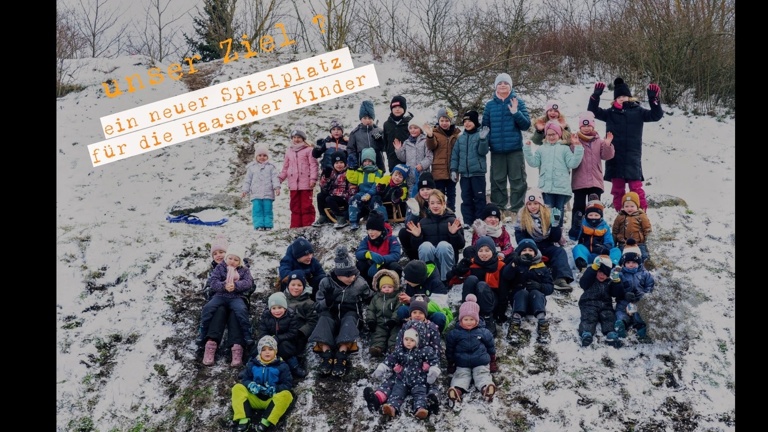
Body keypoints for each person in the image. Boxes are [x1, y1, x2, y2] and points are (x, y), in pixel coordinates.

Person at [588, 77, 663, 211]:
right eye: (619, 96)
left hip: (632, 157)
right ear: (615, 99)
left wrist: (654, 100)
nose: (622, 98)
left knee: (636, 188)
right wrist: (595, 96)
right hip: (615, 157)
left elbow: (656, 115)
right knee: (617, 189)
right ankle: (620, 215)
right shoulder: (610, 113)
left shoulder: (638, 111)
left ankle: (642, 214)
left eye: (625, 96)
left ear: (629, 97)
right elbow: (592, 112)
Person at [364, 303, 443, 416]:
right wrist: (383, 367)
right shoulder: (403, 337)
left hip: (420, 377)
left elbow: (434, 356)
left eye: (420, 312)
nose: (417, 315)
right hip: (402, 375)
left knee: (420, 393)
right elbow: (393, 356)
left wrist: (432, 369)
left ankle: (422, 408)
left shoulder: (427, 342)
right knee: (396, 390)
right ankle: (384, 403)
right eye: (414, 312)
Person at [308, 246, 374, 377]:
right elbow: (318, 305)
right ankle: (326, 353)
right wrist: (327, 301)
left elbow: (370, 296)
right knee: (323, 319)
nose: (352, 277)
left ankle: (341, 353)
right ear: (338, 275)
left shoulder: (359, 283)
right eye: (348, 275)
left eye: (353, 273)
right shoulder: (326, 282)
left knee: (350, 320)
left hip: (350, 312)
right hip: (331, 312)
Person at [482, 72, 531, 222]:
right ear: (496, 86)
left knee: (518, 180)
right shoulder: (490, 105)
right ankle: (500, 210)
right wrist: (485, 141)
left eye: (506, 83)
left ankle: (517, 210)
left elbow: (526, 125)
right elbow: (485, 126)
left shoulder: (518, 102)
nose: (503, 86)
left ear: (510, 86)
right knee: (497, 180)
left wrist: (516, 112)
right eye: (500, 83)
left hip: (515, 149)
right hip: (497, 151)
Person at [197, 235, 248, 367]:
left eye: (222, 252)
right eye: (215, 253)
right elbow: (209, 286)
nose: (219, 256)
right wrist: (222, 287)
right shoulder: (215, 269)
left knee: (237, 314)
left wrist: (236, 287)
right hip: (219, 298)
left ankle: (238, 348)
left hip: (237, 298)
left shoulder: (243, 268)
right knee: (217, 311)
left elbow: (250, 285)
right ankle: (210, 343)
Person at [523, 121, 584, 228]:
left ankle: (557, 233)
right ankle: (548, 231)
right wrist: (527, 150)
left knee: (559, 210)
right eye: (548, 134)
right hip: (546, 187)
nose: (551, 137)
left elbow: (573, 163)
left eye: (554, 134)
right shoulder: (541, 149)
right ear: (545, 135)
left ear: (559, 134)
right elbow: (533, 163)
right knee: (547, 210)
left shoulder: (565, 149)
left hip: (561, 187)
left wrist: (578, 147)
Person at [446, 236, 509, 338]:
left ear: (493, 251)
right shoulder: (472, 263)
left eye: (487, 250)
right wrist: (458, 269)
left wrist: (500, 313)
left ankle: (487, 318)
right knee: (471, 279)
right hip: (473, 299)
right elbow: (451, 279)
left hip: (491, 300)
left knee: (482, 285)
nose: (484, 254)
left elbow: (503, 290)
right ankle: (465, 312)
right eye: (481, 250)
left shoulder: (500, 266)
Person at [512, 188, 574, 291]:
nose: (532, 207)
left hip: (546, 245)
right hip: (529, 247)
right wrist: (530, 248)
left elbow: (555, 238)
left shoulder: (548, 214)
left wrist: (555, 225)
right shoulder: (522, 216)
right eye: (530, 204)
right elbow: (520, 238)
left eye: (535, 203)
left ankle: (560, 279)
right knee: (520, 257)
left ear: (540, 204)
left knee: (559, 252)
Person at [567, 111, 615, 241]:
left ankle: (598, 229)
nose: (586, 128)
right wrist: (574, 144)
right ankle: (576, 229)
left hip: (595, 181)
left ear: (593, 126)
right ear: (580, 127)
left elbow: (607, 156)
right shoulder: (575, 140)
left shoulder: (599, 141)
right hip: (579, 180)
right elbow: (570, 156)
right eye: (584, 126)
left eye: (589, 126)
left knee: (595, 206)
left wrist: (607, 143)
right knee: (578, 207)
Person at [230, 336, 294, 432]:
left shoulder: (282, 366)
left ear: (275, 351)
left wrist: (275, 389)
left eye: (270, 349)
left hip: (271, 399)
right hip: (254, 397)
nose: (267, 352)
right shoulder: (252, 364)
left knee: (287, 395)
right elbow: (245, 379)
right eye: (264, 350)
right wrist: (251, 385)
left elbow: (287, 384)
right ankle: (244, 420)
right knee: (237, 388)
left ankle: (265, 423)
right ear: (260, 351)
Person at [369, 328, 435, 419]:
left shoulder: (422, 352)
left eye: (412, 340)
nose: (408, 342)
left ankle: (420, 409)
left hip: (418, 379)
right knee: (397, 392)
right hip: (402, 378)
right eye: (406, 339)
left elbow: (433, 360)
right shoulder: (400, 351)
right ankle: (392, 408)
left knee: (420, 394)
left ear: (417, 341)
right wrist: (381, 368)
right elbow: (390, 359)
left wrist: (430, 368)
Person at [445, 294, 497, 406]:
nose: (469, 322)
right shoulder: (455, 334)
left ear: (477, 320)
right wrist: (451, 362)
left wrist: (492, 360)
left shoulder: (483, 332)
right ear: (461, 320)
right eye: (466, 319)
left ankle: (486, 388)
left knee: (482, 374)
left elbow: (490, 346)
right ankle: (457, 391)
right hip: (462, 363)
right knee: (461, 375)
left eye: (472, 319)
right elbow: (450, 349)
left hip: (480, 361)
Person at [502, 239, 554, 345]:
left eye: (530, 250)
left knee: (537, 293)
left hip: (536, 304)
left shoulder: (542, 267)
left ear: (535, 252)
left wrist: (540, 286)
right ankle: (514, 326)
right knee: (522, 293)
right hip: (518, 303)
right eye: (524, 250)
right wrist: (514, 263)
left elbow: (550, 287)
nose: (527, 252)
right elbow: (506, 276)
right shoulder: (515, 264)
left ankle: (543, 325)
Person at [406, 189, 465, 282]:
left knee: (443, 245)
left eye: (438, 203)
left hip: (447, 262)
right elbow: (416, 248)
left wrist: (454, 234)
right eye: (432, 203)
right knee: (426, 246)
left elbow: (461, 245)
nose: (435, 206)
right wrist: (417, 236)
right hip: (431, 260)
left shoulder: (452, 221)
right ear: (429, 205)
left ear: (444, 204)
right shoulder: (423, 222)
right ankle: (429, 278)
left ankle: (446, 279)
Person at [450, 110, 489, 227]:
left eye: (470, 121)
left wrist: (483, 140)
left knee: (479, 198)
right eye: (465, 121)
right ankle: (467, 221)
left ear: (475, 122)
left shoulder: (480, 135)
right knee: (466, 198)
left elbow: (483, 152)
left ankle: (479, 221)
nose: (467, 123)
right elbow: (455, 156)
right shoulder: (460, 138)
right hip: (464, 175)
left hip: (477, 174)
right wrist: (453, 169)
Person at [257, 292, 306, 379]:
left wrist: (278, 338)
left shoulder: (291, 316)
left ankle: (294, 367)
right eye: (274, 308)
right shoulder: (266, 316)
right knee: (259, 348)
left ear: (285, 307)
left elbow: (293, 333)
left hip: (286, 341)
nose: (277, 311)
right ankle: (251, 367)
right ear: (270, 309)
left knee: (285, 347)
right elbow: (262, 331)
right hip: (270, 341)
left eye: (280, 307)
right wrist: (268, 340)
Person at [578, 256, 623, 347]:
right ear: (596, 271)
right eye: (600, 272)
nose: (602, 275)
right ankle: (586, 333)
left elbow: (617, 293)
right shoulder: (591, 280)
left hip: (605, 305)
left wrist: (616, 282)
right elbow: (583, 283)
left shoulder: (609, 282)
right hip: (589, 303)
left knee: (609, 317)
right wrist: (592, 269)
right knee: (589, 316)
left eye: (605, 274)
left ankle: (610, 333)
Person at [613, 243, 655, 343]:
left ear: (639, 263)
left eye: (633, 262)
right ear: (624, 263)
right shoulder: (621, 274)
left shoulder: (644, 274)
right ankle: (621, 324)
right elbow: (616, 286)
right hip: (624, 301)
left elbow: (649, 285)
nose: (631, 264)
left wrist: (643, 295)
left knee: (639, 315)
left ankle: (641, 329)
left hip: (639, 301)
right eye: (628, 262)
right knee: (620, 312)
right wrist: (624, 294)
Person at [278, 126, 318, 228]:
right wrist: (279, 179)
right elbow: (285, 167)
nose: (296, 139)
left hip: (306, 183)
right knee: (294, 206)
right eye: (294, 137)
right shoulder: (289, 151)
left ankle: (307, 225)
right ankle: (295, 227)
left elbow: (313, 165)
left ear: (303, 138)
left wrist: (313, 179)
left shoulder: (309, 150)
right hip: (293, 184)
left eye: (299, 137)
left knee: (306, 205)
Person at [395, 262, 450, 331]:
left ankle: (434, 336)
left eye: (408, 280)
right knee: (402, 310)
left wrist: (412, 301)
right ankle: (408, 332)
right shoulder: (412, 283)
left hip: (431, 314)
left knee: (439, 317)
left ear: (418, 279)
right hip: (415, 313)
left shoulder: (436, 283)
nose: (406, 282)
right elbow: (409, 302)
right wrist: (405, 301)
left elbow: (438, 306)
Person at [354, 210, 403, 287]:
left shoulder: (391, 239)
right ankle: (368, 287)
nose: (370, 232)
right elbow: (358, 253)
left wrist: (381, 261)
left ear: (380, 230)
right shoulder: (367, 239)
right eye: (369, 230)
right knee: (360, 264)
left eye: (373, 230)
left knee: (395, 266)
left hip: (386, 266)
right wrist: (368, 254)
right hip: (371, 268)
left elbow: (396, 254)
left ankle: (393, 288)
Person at [425, 108, 461, 211]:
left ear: (451, 121)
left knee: (451, 195)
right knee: (439, 195)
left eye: (447, 120)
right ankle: (439, 213)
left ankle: (451, 213)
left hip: (452, 170)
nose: (444, 123)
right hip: (438, 171)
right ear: (438, 121)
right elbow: (431, 146)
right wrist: (430, 136)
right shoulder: (435, 133)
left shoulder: (456, 134)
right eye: (442, 120)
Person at [571, 200, 621, 271]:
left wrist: (603, 248)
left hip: (601, 256)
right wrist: (576, 227)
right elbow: (573, 237)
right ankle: (582, 264)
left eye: (596, 215)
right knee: (578, 248)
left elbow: (610, 243)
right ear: (586, 215)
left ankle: (610, 265)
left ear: (600, 216)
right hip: (587, 253)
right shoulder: (582, 225)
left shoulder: (605, 227)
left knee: (616, 250)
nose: (593, 217)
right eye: (590, 215)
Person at [283, 272, 318, 372]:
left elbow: (313, 321)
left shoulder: (309, 303)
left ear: (304, 287)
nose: (296, 288)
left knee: (290, 345)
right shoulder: (282, 299)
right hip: (283, 330)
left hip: (298, 334)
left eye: (299, 285)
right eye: (293, 285)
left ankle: (294, 365)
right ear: (288, 285)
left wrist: (302, 332)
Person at [312, 150, 356, 228]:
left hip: (344, 197)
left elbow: (353, 186)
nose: (339, 165)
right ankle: (323, 216)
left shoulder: (348, 172)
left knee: (330, 199)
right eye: (336, 163)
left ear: (345, 163)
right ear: (333, 164)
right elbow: (323, 186)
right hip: (333, 195)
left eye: (341, 162)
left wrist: (350, 196)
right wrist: (326, 177)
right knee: (320, 196)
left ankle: (341, 218)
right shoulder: (332, 173)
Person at [346, 147, 387, 230]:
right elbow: (351, 178)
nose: (367, 163)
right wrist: (350, 169)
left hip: (373, 193)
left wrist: (369, 194)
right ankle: (354, 221)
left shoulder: (378, 172)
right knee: (354, 199)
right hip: (362, 193)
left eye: (369, 161)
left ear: (373, 162)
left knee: (376, 202)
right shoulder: (359, 171)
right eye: (365, 161)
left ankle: (383, 222)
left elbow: (377, 184)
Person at [365, 269, 404, 357]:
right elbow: (371, 310)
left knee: (395, 333)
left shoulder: (397, 297)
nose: (387, 289)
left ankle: (394, 347)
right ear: (380, 288)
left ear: (394, 288)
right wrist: (371, 320)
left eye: (390, 287)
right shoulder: (376, 298)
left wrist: (394, 320)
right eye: (384, 287)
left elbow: (398, 309)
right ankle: (377, 347)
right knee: (378, 334)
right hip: (380, 322)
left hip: (393, 322)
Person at [241, 146, 281, 231]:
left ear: (267, 157)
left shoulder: (271, 167)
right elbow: (247, 180)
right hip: (256, 194)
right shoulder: (251, 168)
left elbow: (275, 178)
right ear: (256, 156)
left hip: (268, 194)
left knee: (267, 210)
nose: (262, 157)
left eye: (264, 155)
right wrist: (245, 190)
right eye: (260, 155)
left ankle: (268, 225)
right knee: (257, 210)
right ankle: (259, 225)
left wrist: (277, 187)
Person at [398, 172, 434, 259]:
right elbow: (408, 224)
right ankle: (413, 258)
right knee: (403, 232)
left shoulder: (438, 202)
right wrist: (415, 214)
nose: (425, 192)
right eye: (422, 189)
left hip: (434, 234)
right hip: (418, 235)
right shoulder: (414, 202)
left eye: (428, 189)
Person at [612, 191, 653, 263]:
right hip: (623, 243)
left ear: (637, 206)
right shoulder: (620, 217)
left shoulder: (641, 216)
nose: (629, 209)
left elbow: (647, 229)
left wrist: (648, 243)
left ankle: (642, 268)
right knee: (620, 257)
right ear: (623, 207)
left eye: (632, 206)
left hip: (639, 244)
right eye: (626, 206)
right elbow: (615, 231)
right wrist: (613, 244)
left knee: (643, 257)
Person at [394, 120, 433, 195]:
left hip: (422, 174)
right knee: (411, 195)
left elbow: (429, 157)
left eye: (415, 128)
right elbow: (403, 158)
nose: (413, 130)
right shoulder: (407, 142)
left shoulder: (425, 141)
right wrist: (398, 150)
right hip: (410, 175)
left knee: (423, 194)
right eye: (411, 128)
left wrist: (422, 165)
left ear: (420, 129)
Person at [347, 100, 385, 171]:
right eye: (365, 118)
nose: (367, 121)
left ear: (373, 119)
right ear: (361, 119)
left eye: (370, 118)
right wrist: (353, 161)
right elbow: (351, 148)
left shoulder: (379, 131)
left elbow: (385, 148)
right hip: (362, 166)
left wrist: (380, 140)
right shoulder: (355, 133)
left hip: (378, 166)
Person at [383, 95, 414, 173]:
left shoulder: (410, 123)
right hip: (393, 159)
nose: (397, 109)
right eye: (395, 107)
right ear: (391, 109)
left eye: (400, 107)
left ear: (404, 109)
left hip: (408, 159)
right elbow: (385, 142)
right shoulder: (386, 124)